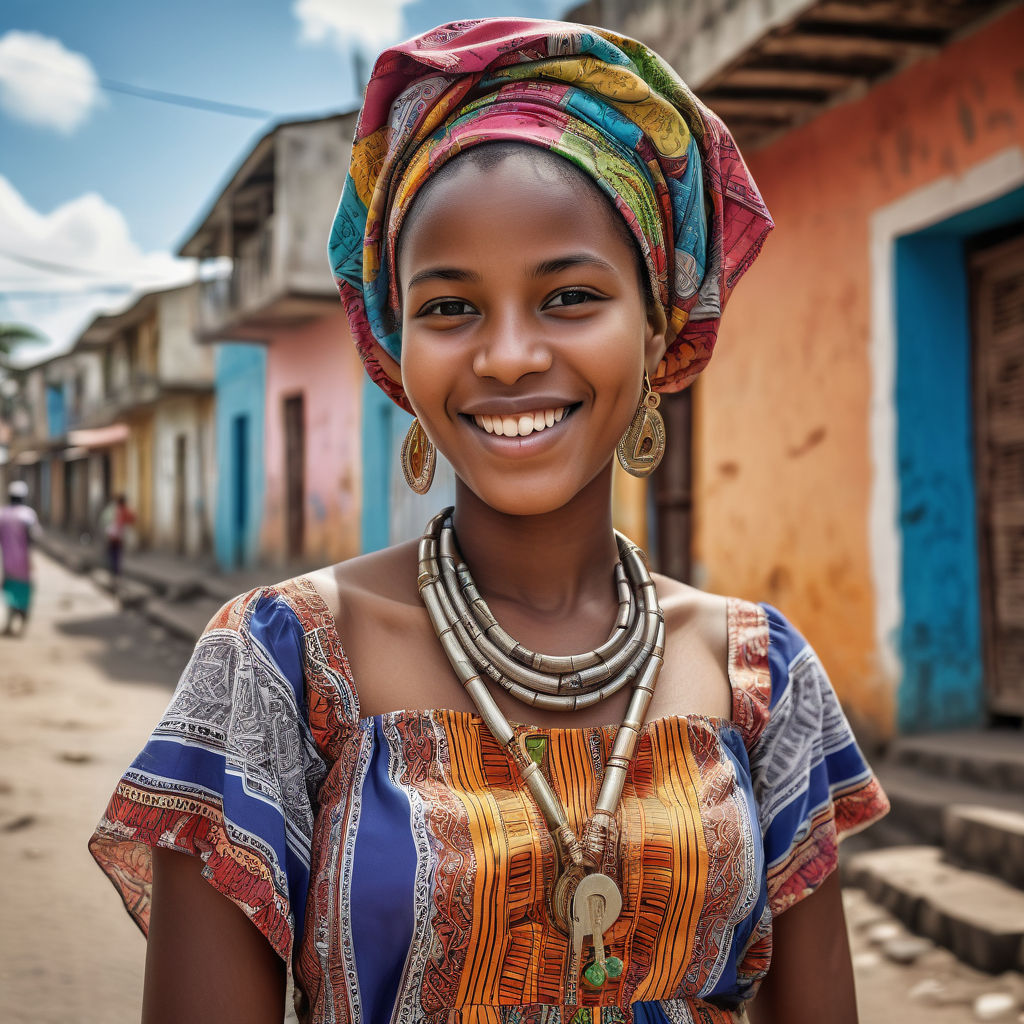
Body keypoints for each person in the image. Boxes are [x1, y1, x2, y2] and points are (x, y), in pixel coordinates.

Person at [90, 19, 889, 1024]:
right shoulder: (280, 664)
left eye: (568, 295)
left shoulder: (760, 675)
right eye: (449, 307)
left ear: (654, 324)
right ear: (395, 341)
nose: (507, 355)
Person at [0, 479, 41, 637]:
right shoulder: (27, 514)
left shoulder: (3, 514)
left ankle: (11, 623)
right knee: (24, 594)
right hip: (24, 563)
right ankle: (22, 624)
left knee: (10, 593)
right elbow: (35, 537)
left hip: (8, 563)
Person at [101, 493, 135, 580]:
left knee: (114, 554)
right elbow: (132, 519)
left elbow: (104, 520)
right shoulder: (120, 510)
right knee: (116, 555)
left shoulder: (114, 509)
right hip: (116, 537)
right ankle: (115, 572)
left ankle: (114, 572)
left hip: (113, 536)